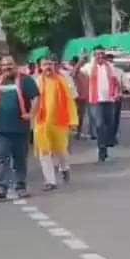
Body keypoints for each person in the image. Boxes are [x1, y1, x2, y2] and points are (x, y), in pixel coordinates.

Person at [0, 56, 38, 199]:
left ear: (15, 65)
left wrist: (31, 114)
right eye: (4, 65)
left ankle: (20, 187)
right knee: (2, 158)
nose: (7, 67)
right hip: (1, 129)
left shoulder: (26, 80)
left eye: (10, 64)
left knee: (20, 159)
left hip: (20, 128)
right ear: (0, 67)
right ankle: (1, 187)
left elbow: (36, 98)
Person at [33, 56, 78, 191]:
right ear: (40, 67)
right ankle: (50, 181)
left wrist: (73, 120)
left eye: (50, 64)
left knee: (61, 151)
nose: (48, 67)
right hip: (41, 122)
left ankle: (64, 168)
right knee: (44, 151)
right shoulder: (36, 82)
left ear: (54, 65)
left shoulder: (63, 80)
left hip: (59, 122)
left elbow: (71, 100)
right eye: (45, 64)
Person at [81, 47, 123, 162]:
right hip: (96, 101)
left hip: (109, 100)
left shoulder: (110, 67)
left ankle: (105, 148)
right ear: (94, 56)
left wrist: (118, 92)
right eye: (97, 54)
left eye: (102, 54)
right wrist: (81, 60)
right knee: (100, 125)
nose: (100, 56)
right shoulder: (89, 67)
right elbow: (75, 72)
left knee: (109, 125)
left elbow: (116, 81)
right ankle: (101, 150)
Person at [73, 54, 92, 140]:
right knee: (74, 115)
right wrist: (81, 61)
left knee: (81, 116)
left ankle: (78, 132)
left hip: (83, 98)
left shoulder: (87, 74)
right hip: (75, 97)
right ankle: (73, 130)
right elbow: (74, 71)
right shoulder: (76, 72)